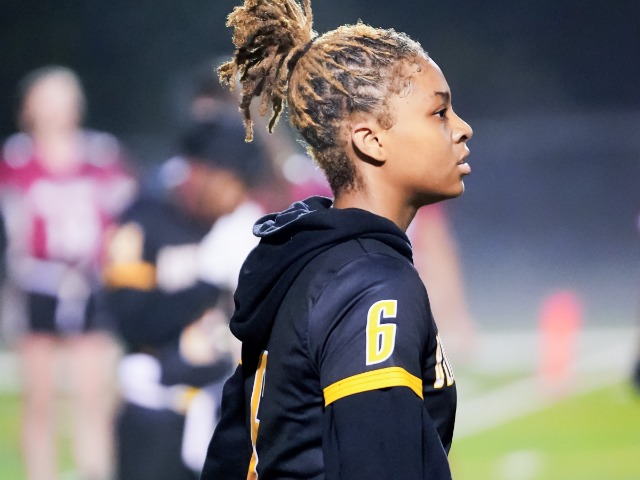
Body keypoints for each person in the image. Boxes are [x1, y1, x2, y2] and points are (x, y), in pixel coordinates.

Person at [200, 0, 473, 479]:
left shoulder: (312, 261)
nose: (462, 129)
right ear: (370, 140)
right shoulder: (371, 282)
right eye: (439, 112)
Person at [100, 116, 268, 480]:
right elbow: (131, 318)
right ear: (199, 172)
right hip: (158, 413)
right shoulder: (143, 220)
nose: (237, 198)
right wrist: (206, 277)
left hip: (224, 407)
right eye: (232, 184)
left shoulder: (238, 225)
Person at [0, 66, 136, 480]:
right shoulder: (17, 158)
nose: (57, 111)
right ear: (29, 108)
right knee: (39, 399)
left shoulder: (100, 154)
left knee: (94, 395)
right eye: (47, 101)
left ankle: (94, 470)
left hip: (89, 281)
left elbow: (126, 215)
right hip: (38, 281)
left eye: (64, 100)